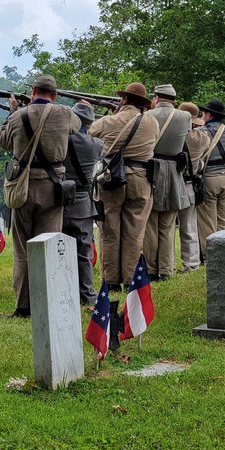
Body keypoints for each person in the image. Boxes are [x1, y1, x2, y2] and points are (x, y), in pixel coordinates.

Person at [0, 74, 80, 317]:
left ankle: (24, 306)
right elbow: (77, 128)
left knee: (23, 249)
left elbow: (3, 142)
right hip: (54, 187)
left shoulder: (17, 116)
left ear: (33, 90)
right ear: (54, 95)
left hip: (23, 187)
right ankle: (49, 301)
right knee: (49, 246)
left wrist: (13, 111)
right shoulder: (64, 113)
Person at [88, 82, 158, 292]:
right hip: (141, 177)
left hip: (112, 178)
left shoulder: (110, 120)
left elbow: (92, 131)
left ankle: (110, 280)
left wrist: (115, 114)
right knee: (135, 231)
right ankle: (130, 278)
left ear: (124, 99)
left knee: (109, 230)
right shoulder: (152, 122)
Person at [143, 84, 191, 281]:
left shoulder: (148, 115)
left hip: (152, 170)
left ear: (156, 97)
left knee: (151, 224)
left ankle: (152, 269)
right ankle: (167, 268)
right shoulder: (185, 117)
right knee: (168, 225)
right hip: (173, 172)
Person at [63, 102, 103, 305]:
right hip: (83, 202)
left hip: (60, 200)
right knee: (84, 252)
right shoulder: (96, 144)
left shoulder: (61, 140)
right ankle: (87, 295)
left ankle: (62, 290)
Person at [194, 98, 225, 255]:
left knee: (207, 220)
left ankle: (210, 254)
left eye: (204, 113)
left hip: (210, 176)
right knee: (224, 219)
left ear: (209, 115)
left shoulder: (201, 132)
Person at [176, 101, 209, 273]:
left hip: (176, 183)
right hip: (191, 185)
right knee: (189, 226)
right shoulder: (203, 137)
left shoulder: (179, 136)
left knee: (166, 226)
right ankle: (192, 263)